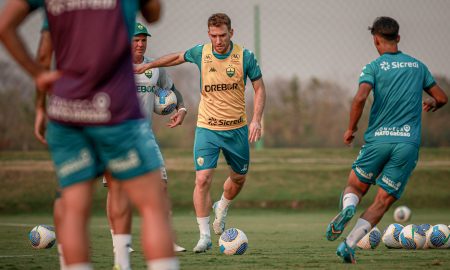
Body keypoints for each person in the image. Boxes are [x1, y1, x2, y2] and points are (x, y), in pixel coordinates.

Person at [0, 1, 179, 270]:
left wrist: (39, 87)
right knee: (153, 204)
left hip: (67, 111)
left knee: (73, 207)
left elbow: (12, 31)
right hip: (116, 111)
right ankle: (123, 262)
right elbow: (153, 14)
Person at [135, 13, 266, 253]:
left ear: (231, 33)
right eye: (214, 36)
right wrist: (150, 65)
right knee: (202, 178)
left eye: (222, 35)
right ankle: (204, 236)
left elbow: (259, 87)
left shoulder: (244, 57)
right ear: (209, 35)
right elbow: (176, 57)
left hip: (236, 129)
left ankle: (223, 205)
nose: (218, 41)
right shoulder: (201, 52)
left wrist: (256, 119)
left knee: (238, 179)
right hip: (207, 127)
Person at [325, 16, 447, 263]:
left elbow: (359, 98)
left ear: (376, 40)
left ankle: (349, 205)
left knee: (356, 187)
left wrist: (351, 129)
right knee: (382, 200)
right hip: (406, 145)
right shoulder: (418, 66)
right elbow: (442, 97)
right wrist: (433, 102)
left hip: (377, 141)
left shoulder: (373, 66)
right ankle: (348, 245)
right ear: (398, 38)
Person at [104, 22, 187, 270]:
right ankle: (118, 242)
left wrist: (181, 109)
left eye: (143, 40)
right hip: (116, 137)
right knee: (117, 190)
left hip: (145, 136)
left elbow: (173, 92)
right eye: (135, 40)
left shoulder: (154, 68)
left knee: (160, 185)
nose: (140, 44)